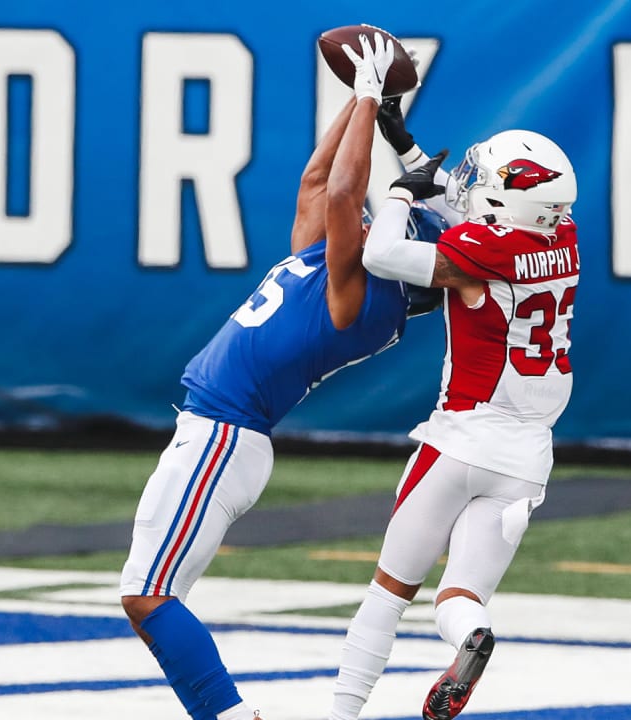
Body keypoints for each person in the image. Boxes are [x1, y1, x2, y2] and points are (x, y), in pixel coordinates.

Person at [118, 34, 441, 720]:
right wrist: (367, 99)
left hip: (225, 435)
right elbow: (320, 185)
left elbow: (349, 190)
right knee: (145, 590)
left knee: (148, 593)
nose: (377, 220)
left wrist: (366, 96)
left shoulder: (363, 300)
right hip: (216, 431)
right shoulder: (337, 267)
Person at [328, 97, 580, 720]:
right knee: (460, 596)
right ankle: (471, 636)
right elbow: (470, 202)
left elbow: (380, 254)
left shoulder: (482, 250)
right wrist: (408, 147)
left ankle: (337, 715)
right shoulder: (563, 237)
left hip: (461, 437)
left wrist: (396, 195)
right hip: (527, 456)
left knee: (388, 595)